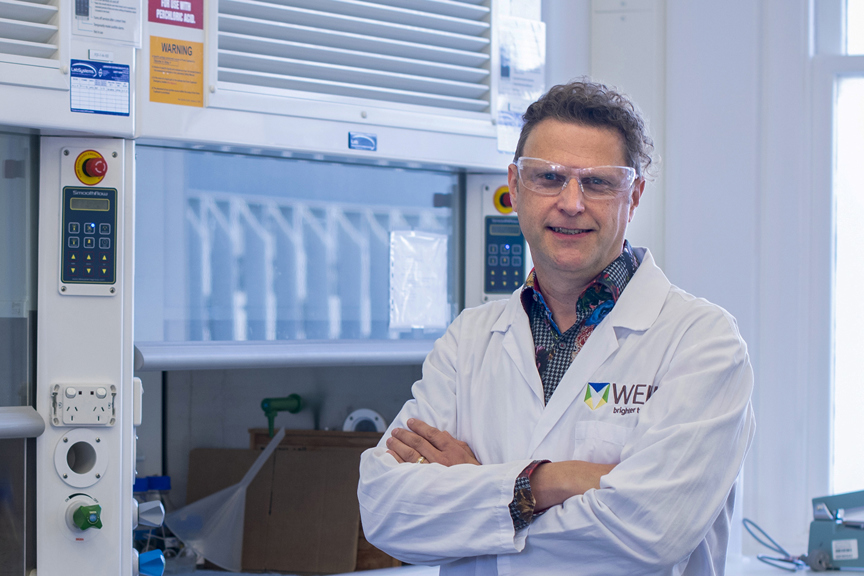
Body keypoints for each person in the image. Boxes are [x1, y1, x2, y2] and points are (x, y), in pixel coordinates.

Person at [357, 79, 755, 576]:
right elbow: (385, 509)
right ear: (516, 187)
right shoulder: (469, 341)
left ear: (633, 198)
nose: (571, 202)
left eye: (598, 182)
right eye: (548, 178)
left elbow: (652, 532)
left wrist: (477, 497)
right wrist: (548, 483)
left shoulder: (702, 342)